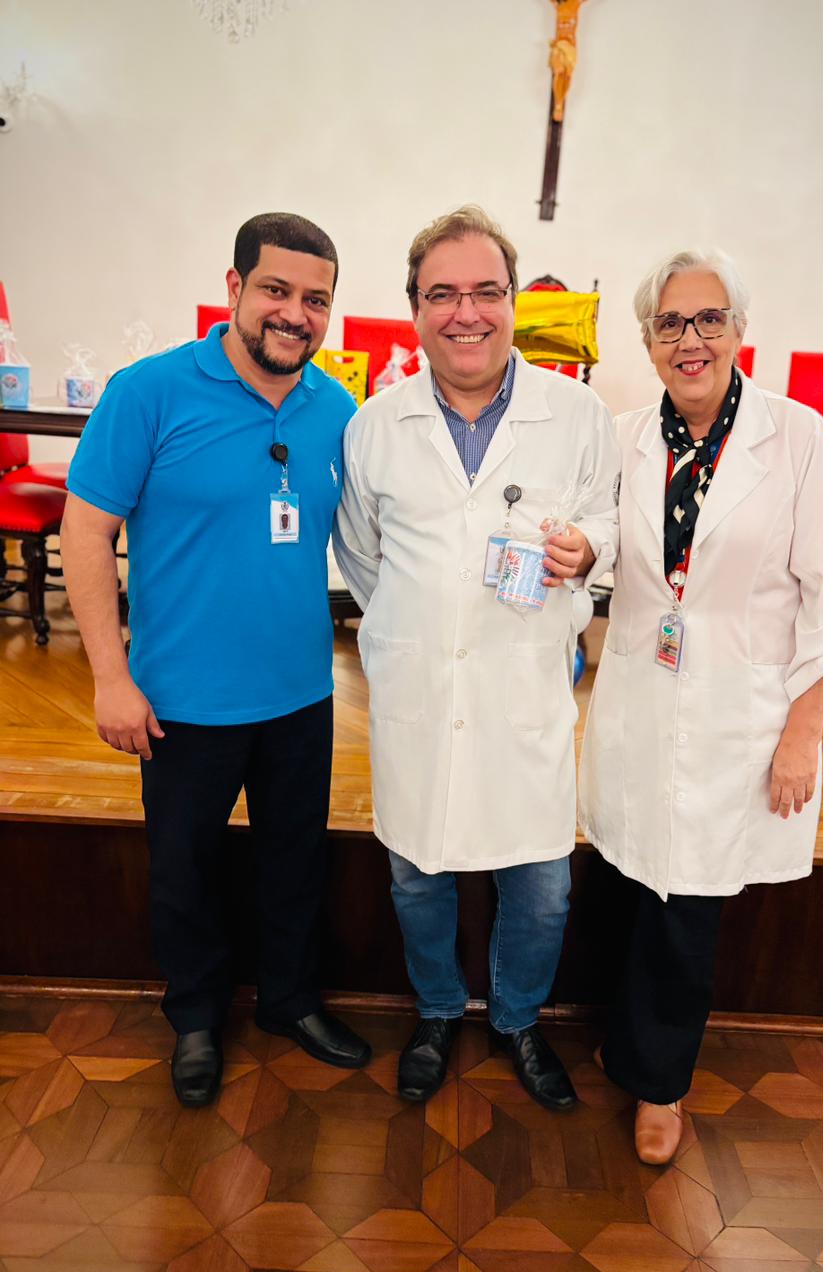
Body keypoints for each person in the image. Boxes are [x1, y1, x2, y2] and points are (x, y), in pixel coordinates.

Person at [60, 212, 371, 1109]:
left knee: (295, 863)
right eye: (276, 289)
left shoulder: (337, 411)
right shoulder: (149, 392)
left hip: (301, 693)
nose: (295, 314)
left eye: (316, 299)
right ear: (234, 288)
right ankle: (195, 1018)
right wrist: (110, 677)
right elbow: (85, 530)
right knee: (184, 869)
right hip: (181, 700)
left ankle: (289, 1001)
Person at [579, 249, 823, 1164]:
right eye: (670, 323)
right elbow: (600, 548)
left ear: (740, 330)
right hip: (638, 699)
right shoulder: (625, 438)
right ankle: (625, 1043)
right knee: (631, 876)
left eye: (709, 319)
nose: (690, 339)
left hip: (737, 712)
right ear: (648, 342)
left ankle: (660, 1083)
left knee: (688, 899)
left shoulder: (797, 436)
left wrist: (802, 732)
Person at [334, 205, 619, 1111]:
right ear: (415, 308)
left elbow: (608, 520)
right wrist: (422, 626)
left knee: (541, 886)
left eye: (487, 291)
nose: (467, 313)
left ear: (513, 301)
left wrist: (589, 549)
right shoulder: (376, 425)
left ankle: (517, 1018)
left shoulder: (577, 415)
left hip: (525, 685)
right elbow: (362, 555)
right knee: (416, 874)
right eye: (443, 294)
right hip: (420, 688)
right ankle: (435, 1011)